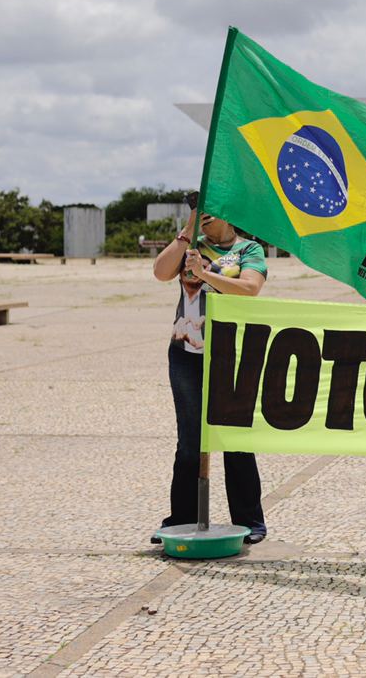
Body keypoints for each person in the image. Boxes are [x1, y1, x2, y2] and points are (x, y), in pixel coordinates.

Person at [150, 201, 269, 545]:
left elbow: (250, 288)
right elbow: (160, 271)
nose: (204, 211)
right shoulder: (191, 245)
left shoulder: (249, 249)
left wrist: (205, 275)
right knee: (189, 443)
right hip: (186, 355)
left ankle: (250, 521)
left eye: (211, 206)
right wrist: (188, 227)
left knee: (235, 440)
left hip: (232, 356)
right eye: (199, 205)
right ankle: (181, 520)